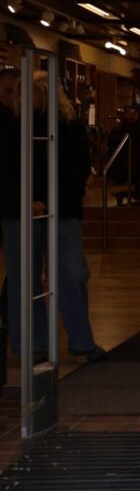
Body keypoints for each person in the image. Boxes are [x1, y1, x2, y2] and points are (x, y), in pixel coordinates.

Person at [0, 72, 105, 363]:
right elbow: (6, 171)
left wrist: (50, 200)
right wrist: (26, 200)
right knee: (24, 279)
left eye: (35, 92)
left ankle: (81, 340)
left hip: (62, 210)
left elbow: (79, 168)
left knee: (71, 274)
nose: (29, 98)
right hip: (20, 211)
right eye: (25, 92)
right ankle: (32, 345)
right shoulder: (13, 127)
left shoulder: (70, 127)